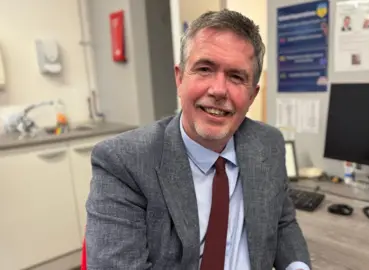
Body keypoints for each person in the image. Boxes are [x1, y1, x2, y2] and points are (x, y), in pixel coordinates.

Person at [85, 9, 312, 270]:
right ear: (180, 78)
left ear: (252, 95)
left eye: (236, 77)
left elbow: (282, 223)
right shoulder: (123, 163)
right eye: (204, 69)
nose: (218, 90)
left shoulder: (268, 143)